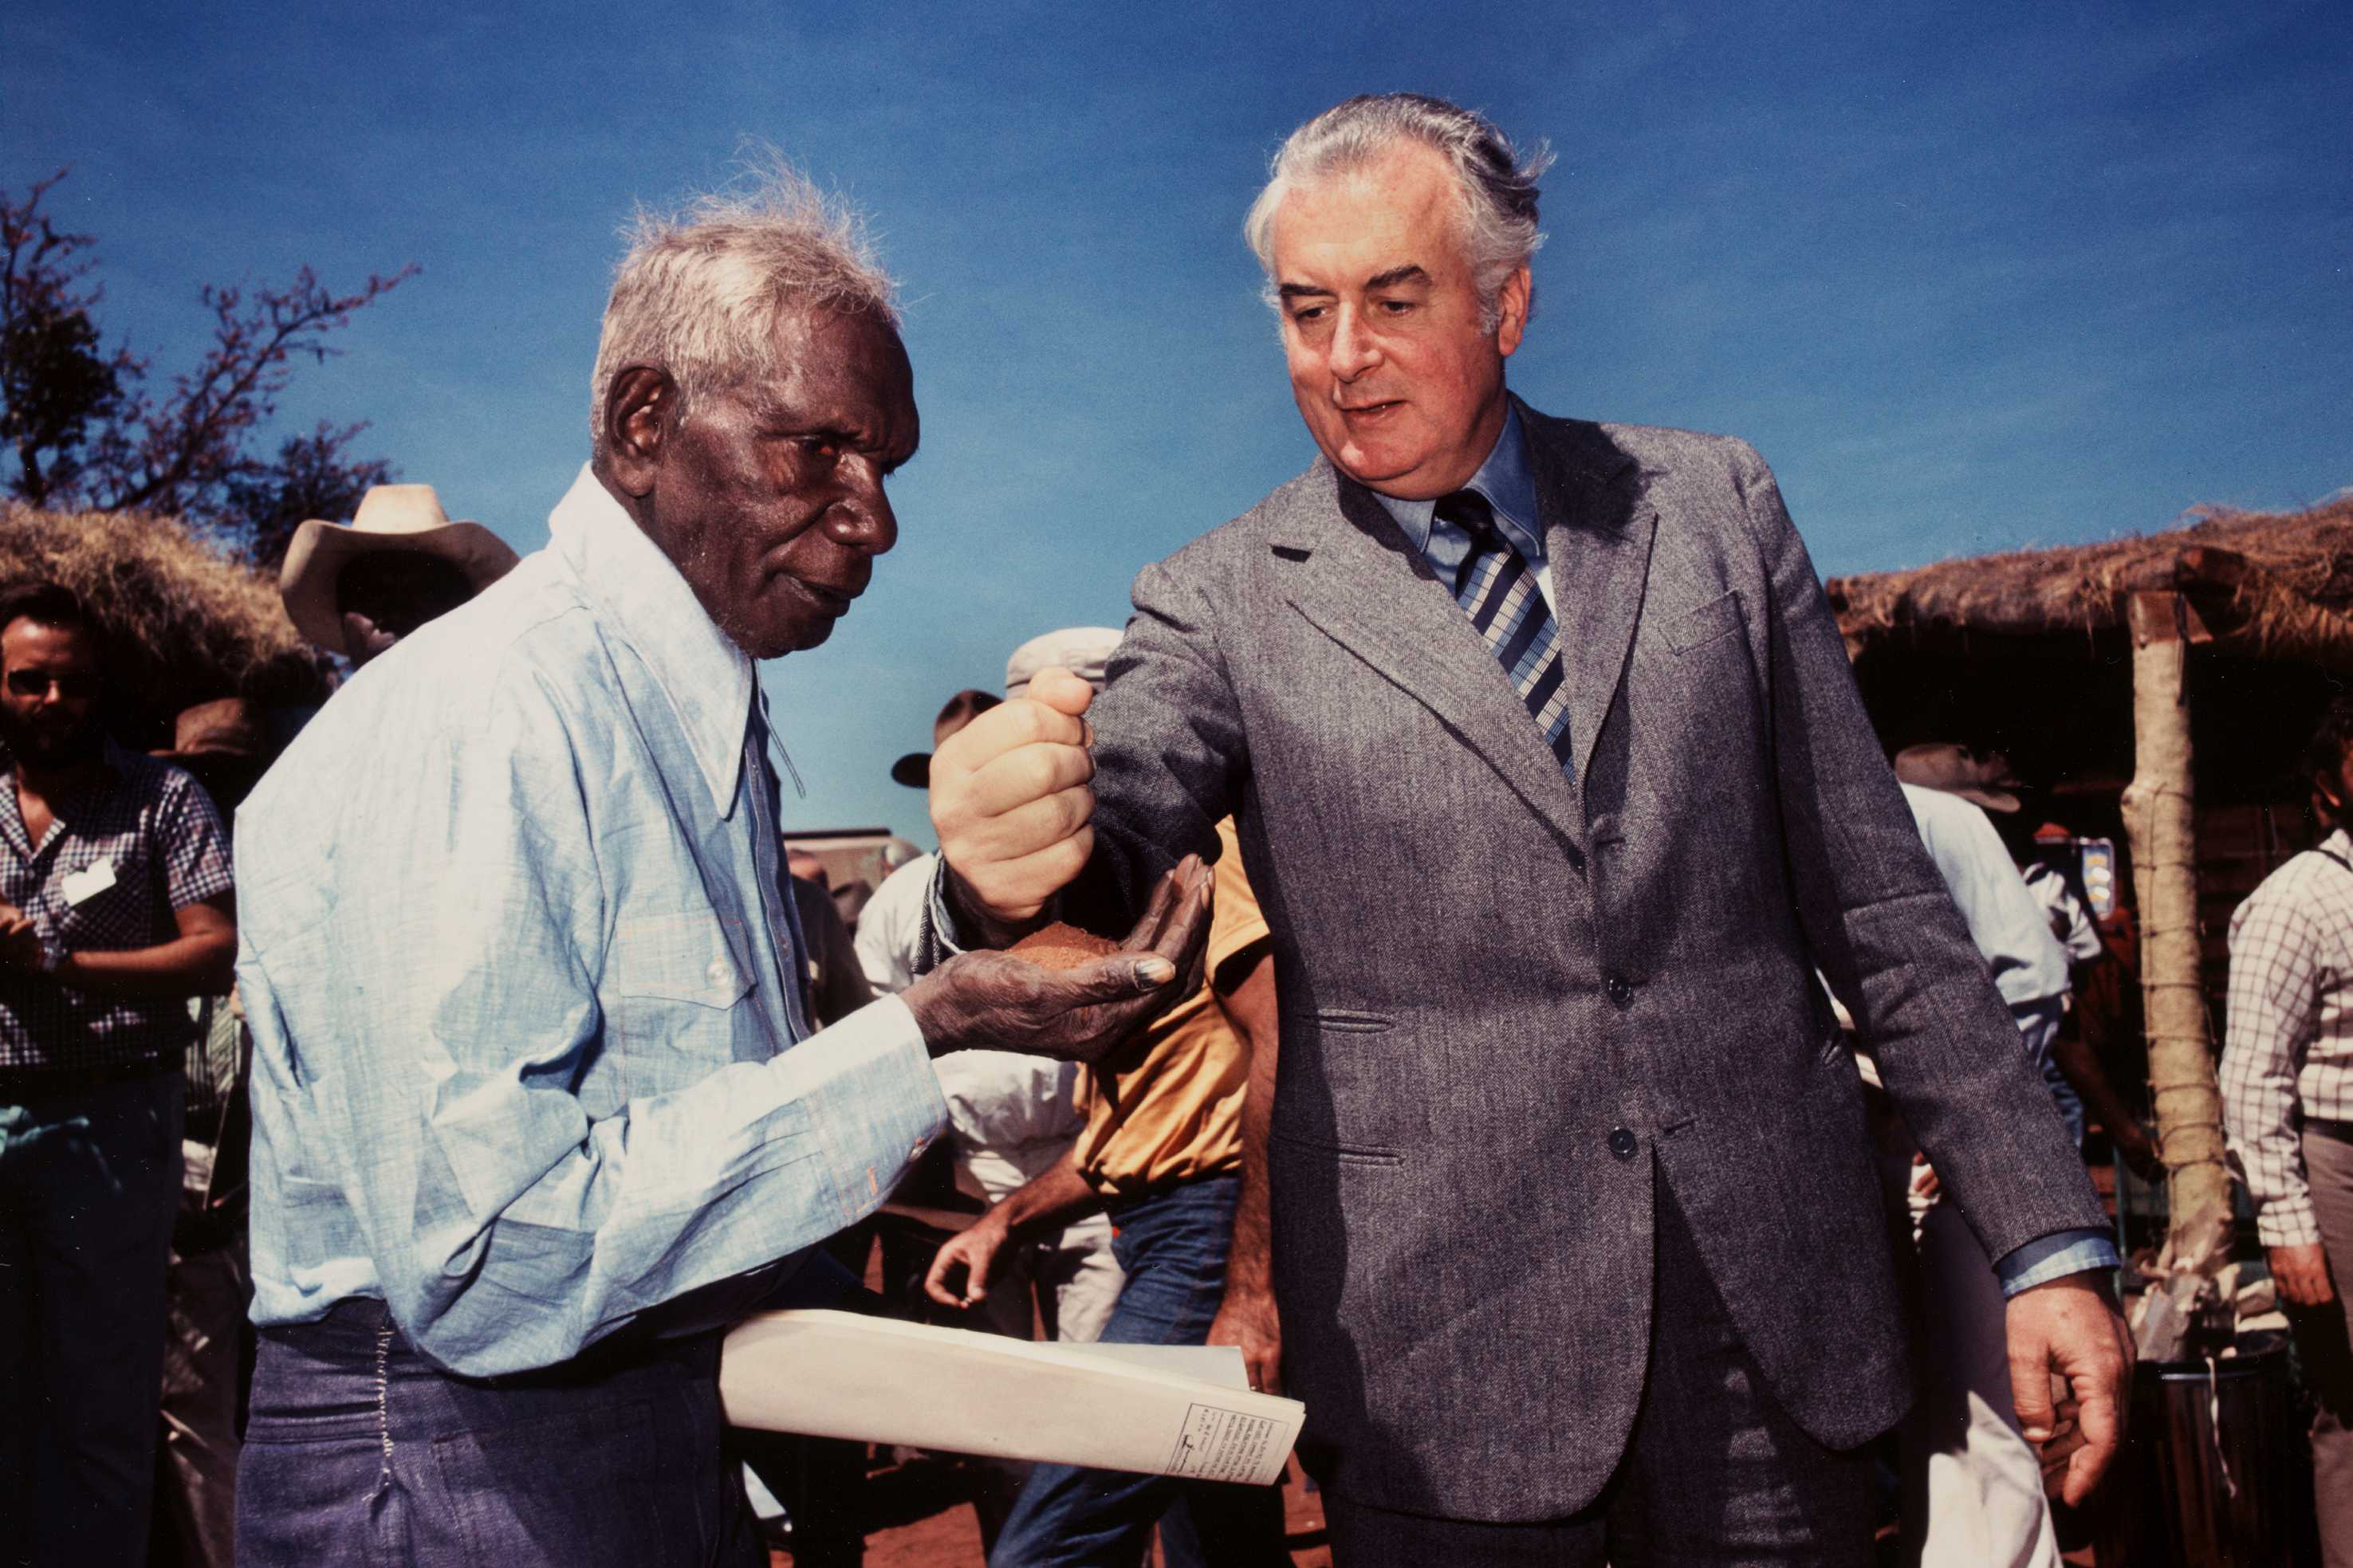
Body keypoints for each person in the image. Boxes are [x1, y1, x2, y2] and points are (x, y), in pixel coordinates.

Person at [926, 93, 2130, 1564]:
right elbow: (1119, 822)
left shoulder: (1712, 509)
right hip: (1443, 1366)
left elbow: (1884, 914)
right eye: (1307, 311)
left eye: (1393, 299)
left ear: (1509, 302)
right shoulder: (1220, 598)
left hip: (1771, 1333)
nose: (1342, 356)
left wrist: (2048, 1244)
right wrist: (1013, 860)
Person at [229, 167, 1210, 1568]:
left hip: (624, 1428)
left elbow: (723, 1063)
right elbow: (489, 1257)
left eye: (885, 469)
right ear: (646, 423)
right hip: (458, 1468)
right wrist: (932, 1028)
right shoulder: (494, 711)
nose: (873, 520)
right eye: (822, 452)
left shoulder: (685, 702)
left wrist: (968, 936)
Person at [923, 632, 1289, 1568]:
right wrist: (1001, 1222)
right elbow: (1129, 1138)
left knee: (1048, 1541)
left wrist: (1248, 1288)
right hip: (1163, 1226)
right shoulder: (1109, 896)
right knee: (1217, 1538)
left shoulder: (1203, 851)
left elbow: (1279, 1041)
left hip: (1207, 1230)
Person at [0, 580, 238, 1566]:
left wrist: (63, 964)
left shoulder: (161, 797)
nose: (52, 701)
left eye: (74, 684)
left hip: (107, 1120)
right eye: (28, 682)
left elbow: (214, 949)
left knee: (102, 1403)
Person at [863, 671, 1124, 1355]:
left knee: (1096, 1360)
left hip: (1083, 1163)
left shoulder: (1075, 877)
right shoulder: (898, 899)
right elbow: (874, 1033)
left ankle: (1078, 1466)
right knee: (993, 1355)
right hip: (971, 1170)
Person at [1890, 778, 2076, 1568]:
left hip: (1942, 1142)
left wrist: (1958, 1116)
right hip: (1822, 1148)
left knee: (1979, 1407)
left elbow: (2030, 981)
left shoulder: (1939, 819)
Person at [2221, 695, 2353, 1567]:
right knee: (2349, 1406)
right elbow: (2252, 1076)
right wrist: (2286, 1225)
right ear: (2327, 784)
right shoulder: (2294, 900)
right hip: (2339, 1165)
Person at [148, 697, 279, 1568]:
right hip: (188, 1205)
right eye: (202, 785)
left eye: (233, 784)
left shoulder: (288, 889)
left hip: (269, 1212)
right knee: (195, 1419)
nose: (216, 807)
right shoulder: (155, 904)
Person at [277, 483, 521, 666]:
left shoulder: (505, 715)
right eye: (369, 594)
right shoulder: (325, 731)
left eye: (424, 591)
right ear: (344, 618)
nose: (395, 613)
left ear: (461, 606)